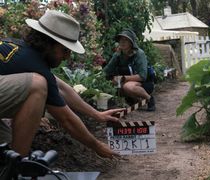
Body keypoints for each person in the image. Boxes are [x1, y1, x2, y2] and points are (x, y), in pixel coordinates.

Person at [0, 10, 125, 158]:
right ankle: (15, 169)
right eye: (64, 50)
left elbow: (60, 88)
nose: (67, 57)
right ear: (47, 43)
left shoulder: (23, 51)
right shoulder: (33, 65)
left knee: (5, 148)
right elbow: (66, 119)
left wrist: (96, 114)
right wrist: (97, 146)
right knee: (36, 85)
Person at [103, 29, 156, 111]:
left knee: (128, 86)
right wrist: (98, 77)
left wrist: (123, 78)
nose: (122, 42)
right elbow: (107, 70)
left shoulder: (139, 54)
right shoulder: (118, 55)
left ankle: (149, 99)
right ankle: (137, 102)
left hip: (145, 84)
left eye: (125, 40)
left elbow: (142, 76)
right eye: (121, 40)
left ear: (131, 43)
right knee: (112, 85)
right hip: (127, 81)